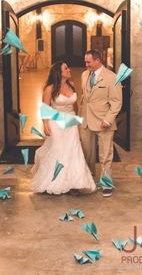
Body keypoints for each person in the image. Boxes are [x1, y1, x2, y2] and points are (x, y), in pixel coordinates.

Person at [31, 61, 96, 195]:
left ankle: (74, 183)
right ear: (59, 72)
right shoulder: (50, 89)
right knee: (58, 151)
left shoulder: (71, 85)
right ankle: (54, 180)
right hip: (57, 123)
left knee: (73, 151)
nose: (69, 70)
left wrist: (77, 119)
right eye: (66, 68)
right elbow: (45, 109)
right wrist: (45, 124)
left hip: (71, 123)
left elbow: (75, 105)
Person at [79, 49, 122, 197]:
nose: (86, 65)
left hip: (104, 122)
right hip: (85, 122)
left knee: (105, 155)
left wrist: (108, 120)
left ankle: (106, 183)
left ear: (98, 61)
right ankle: (89, 179)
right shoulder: (84, 75)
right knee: (87, 153)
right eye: (85, 61)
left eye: (88, 62)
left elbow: (116, 102)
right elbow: (85, 98)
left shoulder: (112, 77)